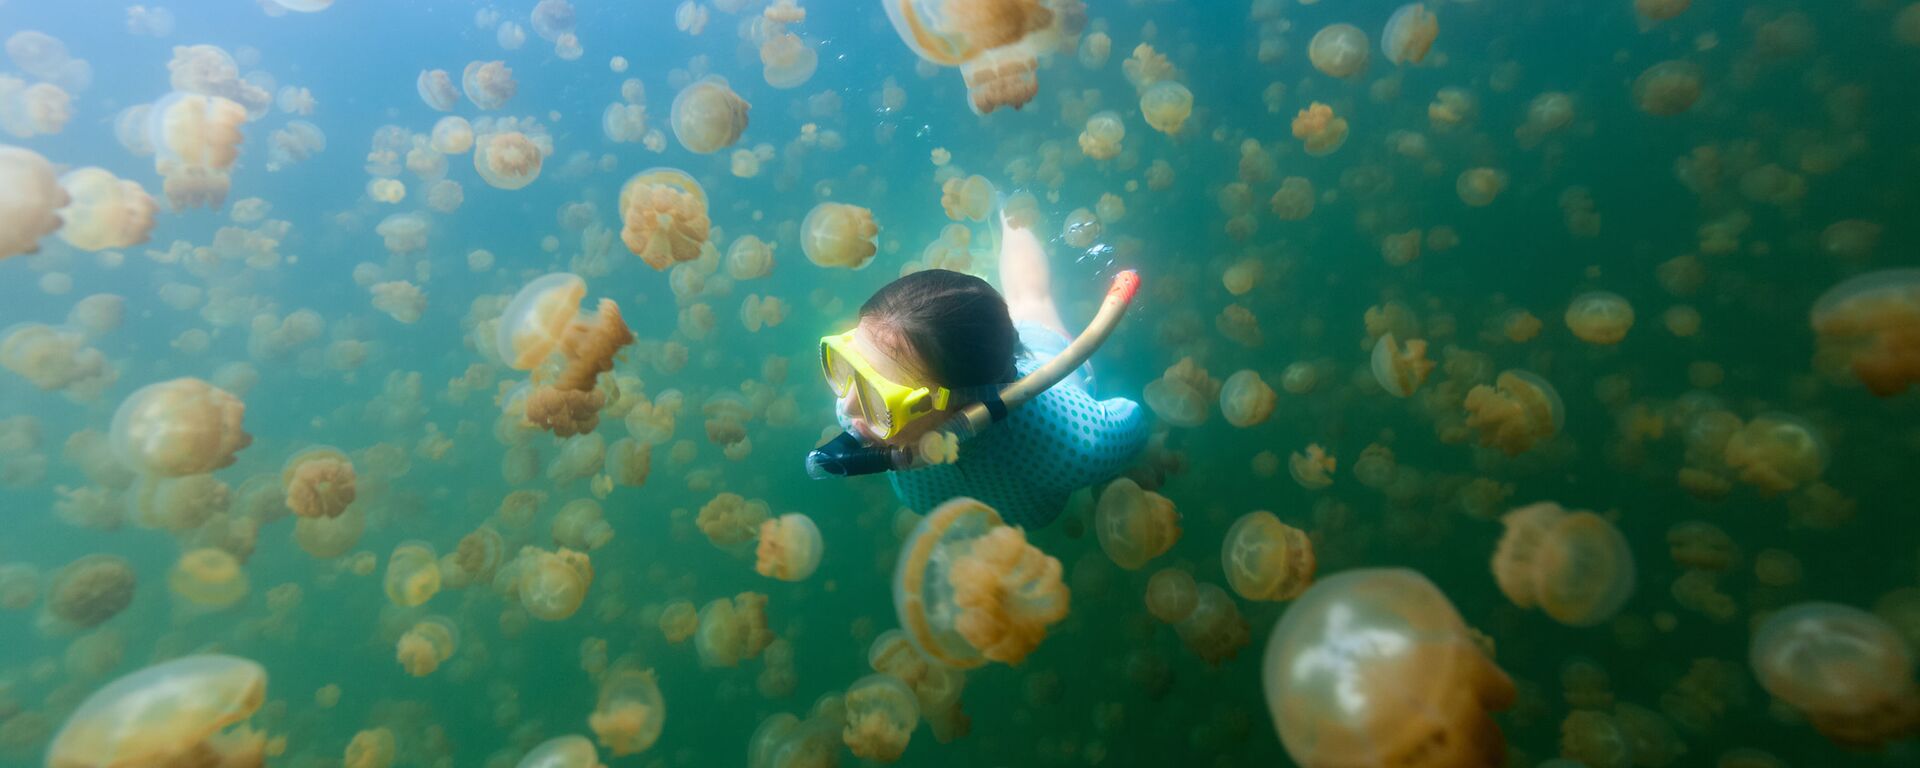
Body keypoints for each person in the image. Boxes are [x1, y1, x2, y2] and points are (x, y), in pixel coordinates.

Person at [819, 215, 1148, 528]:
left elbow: (1133, 421)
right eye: (847, 365)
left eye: (878, 396)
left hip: (1046, 358)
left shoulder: (1073, 441)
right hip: (969, 370)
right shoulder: (858, 408)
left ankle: (1014, 211)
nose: (846, 407)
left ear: (964, 410)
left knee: (1031, 298)